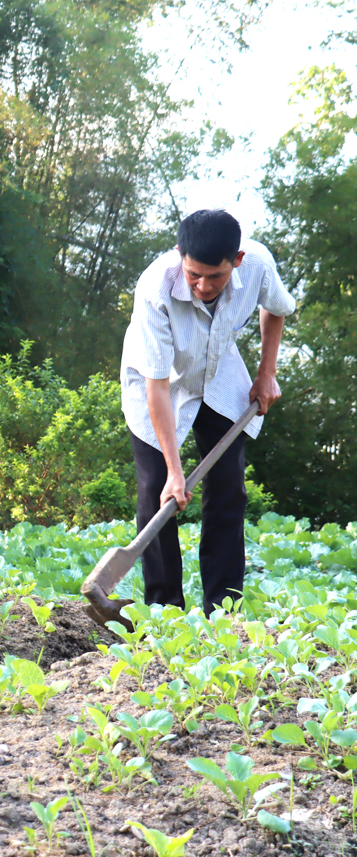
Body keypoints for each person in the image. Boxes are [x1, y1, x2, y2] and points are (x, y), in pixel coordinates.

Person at [120, 209, 295, 614]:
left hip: (217, 373)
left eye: (214, 277)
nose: (201, 285)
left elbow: (278, 308)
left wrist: (266, 373)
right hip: (157, 383)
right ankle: (165, 608)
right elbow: (158, 386)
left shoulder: (258, 265)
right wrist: (175, 472)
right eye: (192, 274)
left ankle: (223, 607)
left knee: (228, 487)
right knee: (156, 491)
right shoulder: (154, 289)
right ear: (179, 254)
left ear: (236, 261)